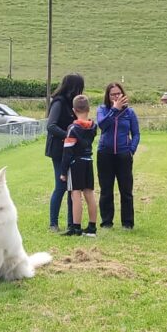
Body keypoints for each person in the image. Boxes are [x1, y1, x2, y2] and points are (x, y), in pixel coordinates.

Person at [96, 82, 140, 229]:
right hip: (105, 154)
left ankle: (127, 223)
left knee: (126, 190)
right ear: (108, 96)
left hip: (123, 155)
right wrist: (114, 110)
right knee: (106, 190)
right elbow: (102, 125)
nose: (116, 96)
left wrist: (131, 150)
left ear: (123, 94)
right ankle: (106, 222)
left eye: (118, 93)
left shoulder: (130, 113)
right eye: (112, 94)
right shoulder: (102, 110)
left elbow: (136, 134)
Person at [45, 73, 85, 232]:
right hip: (58, 150)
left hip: (71, 150)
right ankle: (53, 223)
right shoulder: (59, 102)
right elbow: (51, 126)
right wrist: (69, 136)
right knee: (61, 186)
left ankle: (71, 223)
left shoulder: (72, 104)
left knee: (72, 187)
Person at [60, 94, 98, 237]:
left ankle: (76, 227)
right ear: (88, 109)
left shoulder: (72, 128)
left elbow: (67, 152)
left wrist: (63, 171)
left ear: (74, 110)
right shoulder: (93, 126)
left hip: (76, 163)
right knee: (89, 194)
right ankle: (92, 227)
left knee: (75, 194)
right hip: (88, 160)